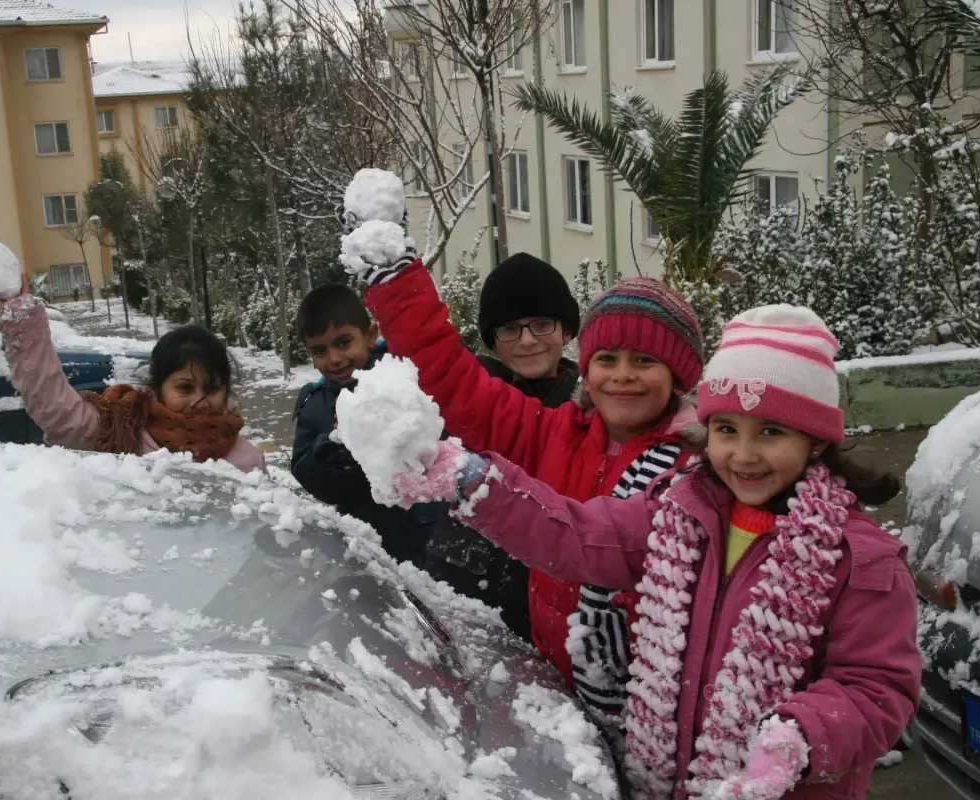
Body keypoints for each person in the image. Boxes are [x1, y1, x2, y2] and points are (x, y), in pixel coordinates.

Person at [390, 304, 920, 800]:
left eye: (771, 432)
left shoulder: (858, 559)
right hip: (662, 783)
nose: (743, 454)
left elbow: (877, 688)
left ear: (818, 440)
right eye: (726, 429)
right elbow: (576, 534)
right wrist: (474, 482)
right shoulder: (678, 509)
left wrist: (800, 736)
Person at [341, 180, 704, 715]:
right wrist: (396, 279)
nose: (622, 376)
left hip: (647, 707)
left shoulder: (692, 471)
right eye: (607, 360)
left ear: (679, 376)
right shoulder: (554, 432)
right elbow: (451, 378)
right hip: (557, 685)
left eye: (644, 362)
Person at [425, 252, 581, 642]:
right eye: (510, 328)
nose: (527, 340)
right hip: (463, 585)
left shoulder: (590, 407)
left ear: (567, 331)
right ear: (494, 341)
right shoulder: (466, 397)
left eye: (542, 323)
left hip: (552, 604)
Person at [0, 272, 265, 472]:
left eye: (212, 388)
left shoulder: (247, 460)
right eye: (185, 388)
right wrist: (20, 318)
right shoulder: (121, 434)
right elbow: (53, 405)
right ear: (158, 387)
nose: (200, 400)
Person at [290, 284, 442, 567]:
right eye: (319, 351)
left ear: (371, 335)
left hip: (429, 528)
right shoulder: (315, 405)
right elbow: (304, 471)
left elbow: (440, 434)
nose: (334, 358)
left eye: (343, 342)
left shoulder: (404, 377)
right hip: (367, 540)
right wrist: (329, 459)